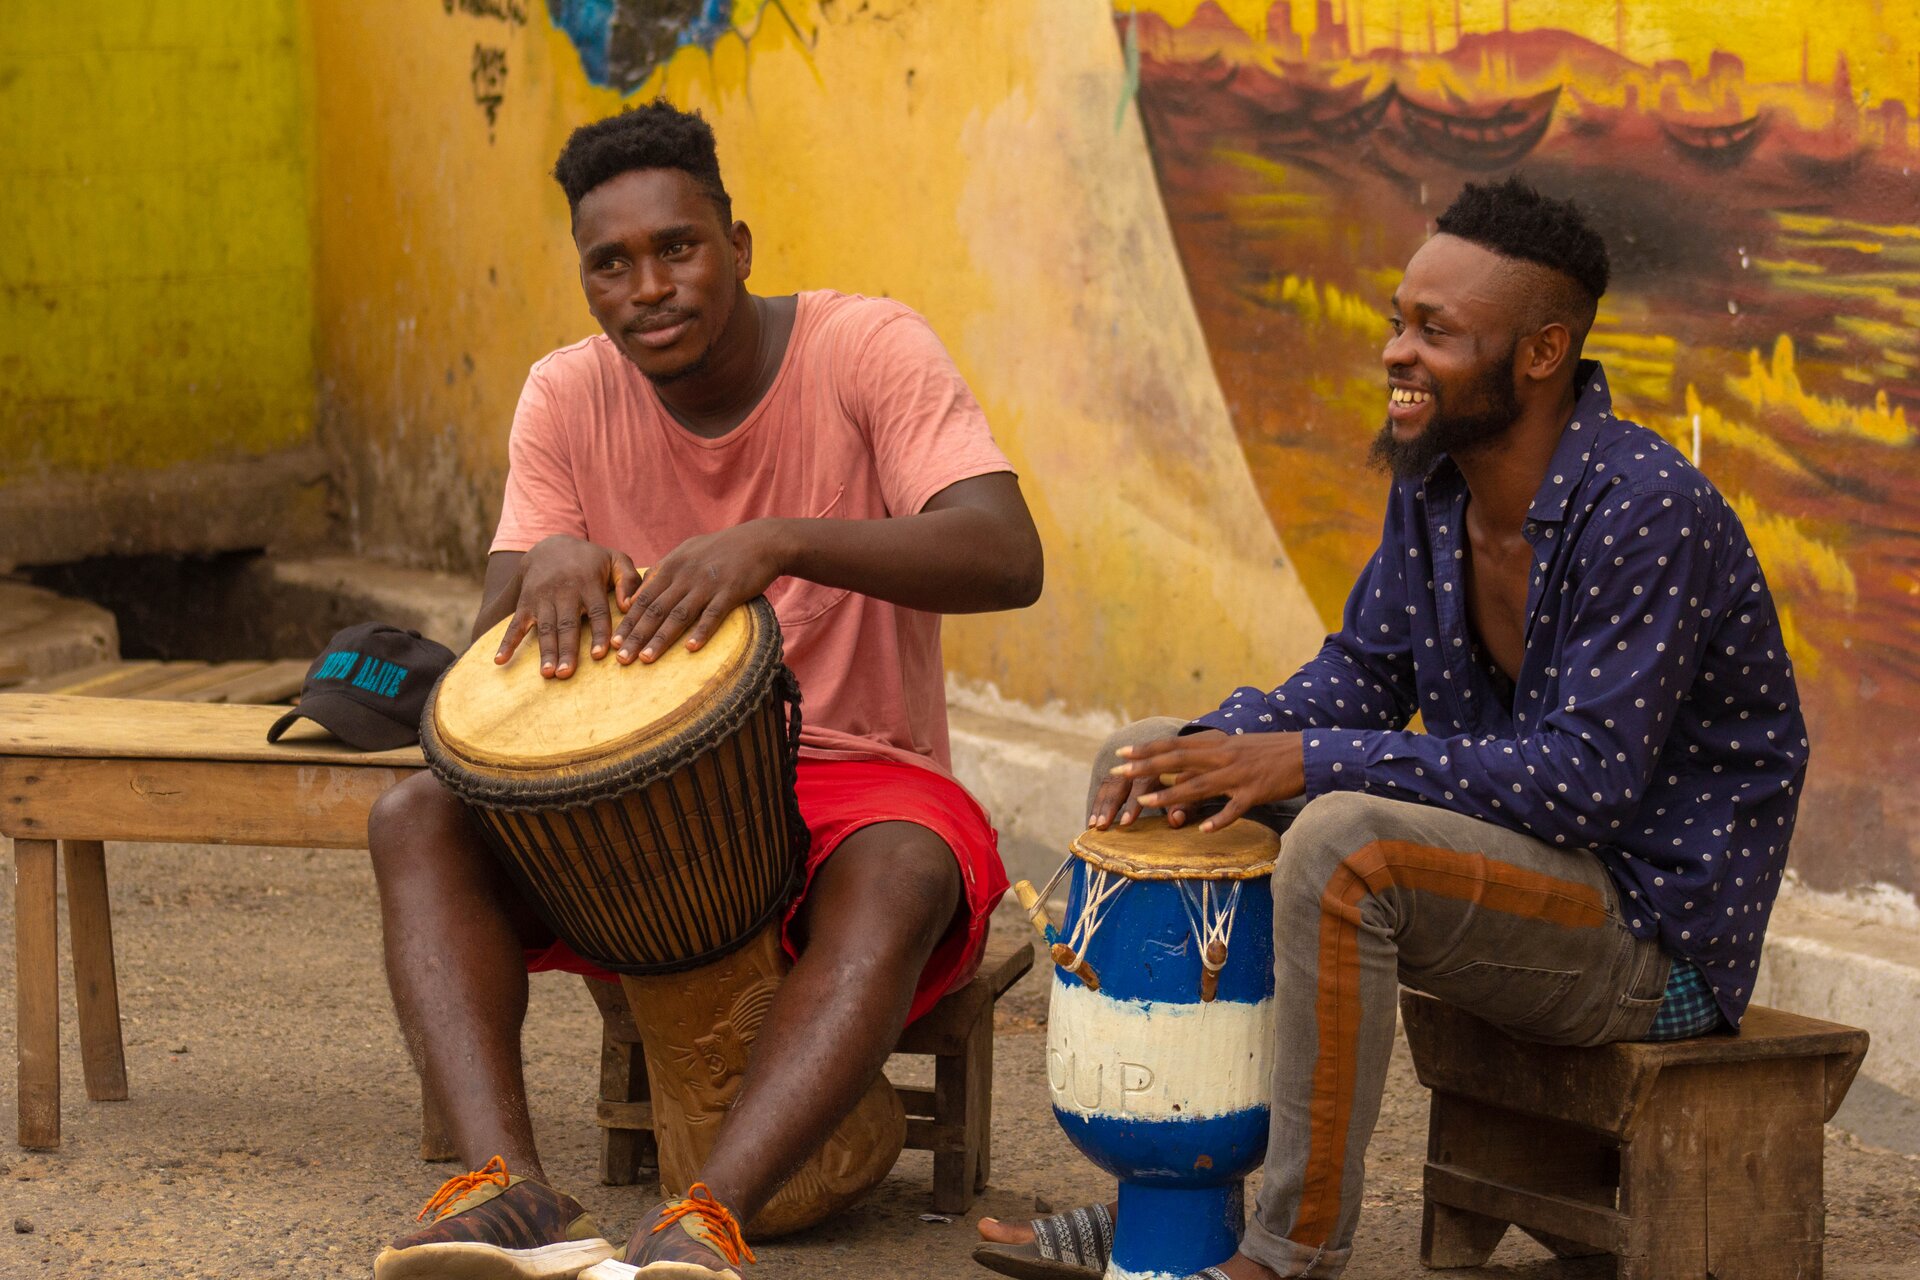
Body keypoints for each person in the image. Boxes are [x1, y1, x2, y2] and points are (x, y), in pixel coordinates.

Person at [976, 176, 1806, 1280]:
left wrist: (1307, 759)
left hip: (1653, 934)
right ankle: (1170, 1211)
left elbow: (1585, 782)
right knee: (1144, 759)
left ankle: (1286, 1253)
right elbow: (1360, 673)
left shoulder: (1647, 507)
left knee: (1344, 844)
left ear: (1543, 352)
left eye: (1436, 331)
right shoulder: (1436, 488)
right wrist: (1212, 745)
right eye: (1396, 322)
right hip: (1519, 884)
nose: (1396, 353)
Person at [367, 100, 1043, 1280]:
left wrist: (781, 541)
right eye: (610, 264)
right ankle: (504, 1186)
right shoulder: (567, 396)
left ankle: (707, 1216)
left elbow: (1005, 553)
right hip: (629, 810)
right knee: (416, 810)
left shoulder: (866, 348)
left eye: (678, 247)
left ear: (737, 242)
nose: (649, 287)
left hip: (855, 774)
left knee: (906, 866)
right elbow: (480, 675)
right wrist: (544, 565)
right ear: (586, 279)